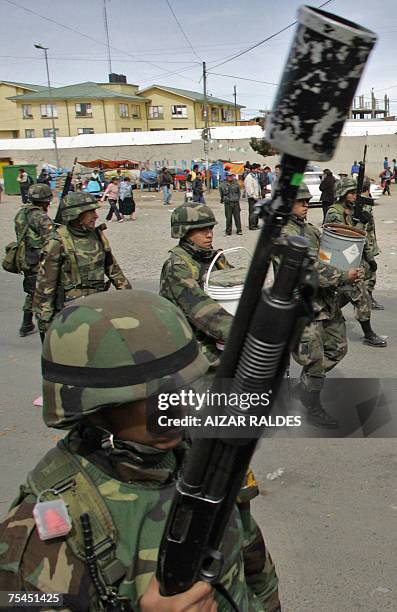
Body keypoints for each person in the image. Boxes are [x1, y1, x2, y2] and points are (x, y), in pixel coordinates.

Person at [0, 291, 280, 612]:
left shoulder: (201, 457)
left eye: (183, 389)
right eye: (156, 396)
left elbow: (253, 565)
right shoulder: (40, 534)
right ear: (94, 403)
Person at [276, 183, 363, 428]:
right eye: (301, 201)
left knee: (337, 348)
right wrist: (344, 276)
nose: (306, 205)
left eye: (307, 201)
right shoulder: (283, 234)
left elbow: (327, 257)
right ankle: (312, 405)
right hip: (302, 308)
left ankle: (307, 387)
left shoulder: (308, 229)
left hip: (325, 302)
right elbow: (306, 270)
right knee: (314, 360)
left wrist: (351, 266)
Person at [33, 192, 131, 335]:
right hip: (71, 314)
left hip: (97, 307)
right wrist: (45, 321)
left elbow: (113, 270)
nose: (96, 216)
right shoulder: (57, 242)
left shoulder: (97, 236)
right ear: (76, 215)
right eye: (90, 212)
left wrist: (129, 298)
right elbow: (46, 284)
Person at [160, 203, 233, 367]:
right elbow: (201, 308)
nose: (209, 235)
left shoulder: (214, 257)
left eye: (210, 228)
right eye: (202, 230)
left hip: (217, 333)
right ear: (184, 232)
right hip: (190, 341)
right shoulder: (178, 266)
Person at [324, 177, 387, 347]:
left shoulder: (350, 209)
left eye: (355, 192)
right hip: (337, 265)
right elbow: (345, 239)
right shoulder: (334, 213)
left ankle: (326, 318)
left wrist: (369, 258)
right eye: (351, 193)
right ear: (342, 194)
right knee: (359, 298)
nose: (354, 196)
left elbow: (359, 240)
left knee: (346, 298)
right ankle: (368, 333)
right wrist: (360, 223)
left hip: (349, 261)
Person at [13, 184, 53, 337]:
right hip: (39, 260)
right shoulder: (40, 216)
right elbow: (51, 238)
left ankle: (26, 324)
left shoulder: (21, 213)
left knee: (31, 291)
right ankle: (44, 325)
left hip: (25, 258)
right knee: (43, 292)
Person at [359, 176, 384, 310]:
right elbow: (366, 228)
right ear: (368, 189)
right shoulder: (365, 205)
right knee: (370, 273)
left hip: (364, 244)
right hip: (366, 245)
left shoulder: (359, 203)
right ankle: (368, 300)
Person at [219, 171, 242, 236]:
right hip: (228, 203)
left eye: (231, 176)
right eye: (229, 176)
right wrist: (224, 199)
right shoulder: (222, 184)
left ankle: (239, 230)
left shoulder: (236, 183)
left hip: (235, 202)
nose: (230, 177)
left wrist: (237, 199)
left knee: (237, 217)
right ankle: (228, 231)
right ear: (226, 176)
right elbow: (221, 193)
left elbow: (239, 192)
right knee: (228, 218)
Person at [244, 164, 260, 230]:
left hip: (257, 196)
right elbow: (249, 189)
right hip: (252, 198)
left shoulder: (255, 176)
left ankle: (255, 224)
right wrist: (254, 196)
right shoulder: (249, 177)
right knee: (252, 212)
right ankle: (252, 225)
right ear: (252, 169)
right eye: (256, 169)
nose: (257, 170)